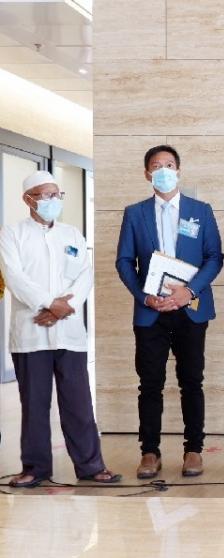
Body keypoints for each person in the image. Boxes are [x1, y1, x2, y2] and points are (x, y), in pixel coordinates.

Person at [0, 170, 120, 487]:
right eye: (46, 195)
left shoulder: (72, 234)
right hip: (31, 334)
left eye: (57, 194)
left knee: (79, 404)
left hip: (69, 332)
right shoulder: (11, 234)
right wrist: (48, 304)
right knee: (34, 405)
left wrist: (64, 307)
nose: (53, 200)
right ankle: (35, 469)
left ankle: (91, 466)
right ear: (28, 199)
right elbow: (14, 277)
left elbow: (85, 275)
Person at [116, 145, 224, 479]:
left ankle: (194, 450)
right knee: (150, 383)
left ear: (178, 170)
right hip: (151, 312)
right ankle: (149, 452)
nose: (163, 170)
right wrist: (144, 296)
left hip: (190, 308)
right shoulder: (135, 213)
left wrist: (188, 292)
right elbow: (124, 261)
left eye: (169, 164)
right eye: (156, 165)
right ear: (147, 173)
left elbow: (214, 257)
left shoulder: (200, 211)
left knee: (192, 381)